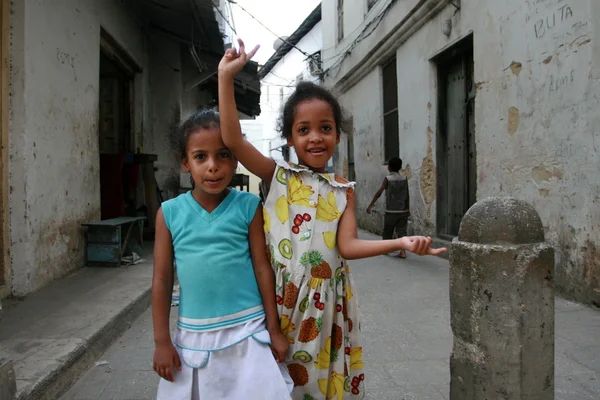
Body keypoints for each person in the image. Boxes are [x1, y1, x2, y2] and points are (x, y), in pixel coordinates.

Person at [217, 39, 447, 399]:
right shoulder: (277, 175)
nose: (315, 137)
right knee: (274, 381)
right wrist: (225, 79)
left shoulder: (344, 190)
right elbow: (231, 138)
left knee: (319, 380)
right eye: (303, 129)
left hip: (327, 303)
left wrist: (401, 242)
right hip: (278, 299)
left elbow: (348, 247)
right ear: (290, 137)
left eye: (325, 128)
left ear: (337, 135)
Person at [152, 109, 293, 400]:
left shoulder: (249, 206)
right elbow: (162, 279)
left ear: (236, 159)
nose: (212, 166)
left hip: (249, 330)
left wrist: (274, 329)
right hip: (195, 335)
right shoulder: (169, 214)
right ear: (185, 163)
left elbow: (262, 268)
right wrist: (162, 341)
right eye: (200, 157)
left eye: (223, 155)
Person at [366, 156, 410, 258]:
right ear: (400, 167)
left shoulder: (388, 179)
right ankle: (403, 252)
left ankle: (386, 249)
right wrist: (408, 209)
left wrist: (371, 205)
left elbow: (379, 193)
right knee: (402, 231)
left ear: (389, 167)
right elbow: (407, 195)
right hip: (403, 210)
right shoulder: (404, 178)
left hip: (391, 211)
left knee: (388, 231)